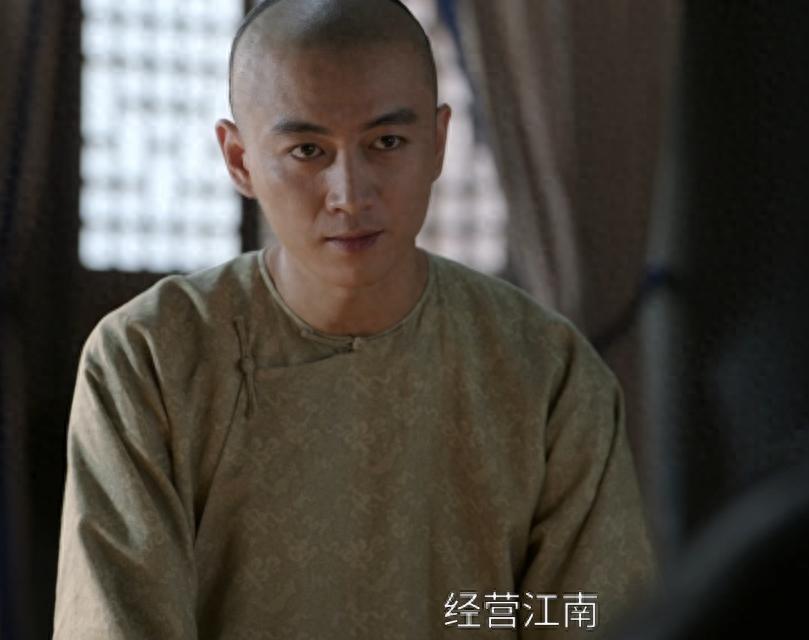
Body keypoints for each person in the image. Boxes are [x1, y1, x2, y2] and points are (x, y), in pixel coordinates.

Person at [52, 0, 656, 638]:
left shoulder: (546, 369)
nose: (350, 193)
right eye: (308, 149)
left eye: (386, 143)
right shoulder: (150, 357)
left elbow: (592, 614)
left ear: (438, 142)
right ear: (239, 160)